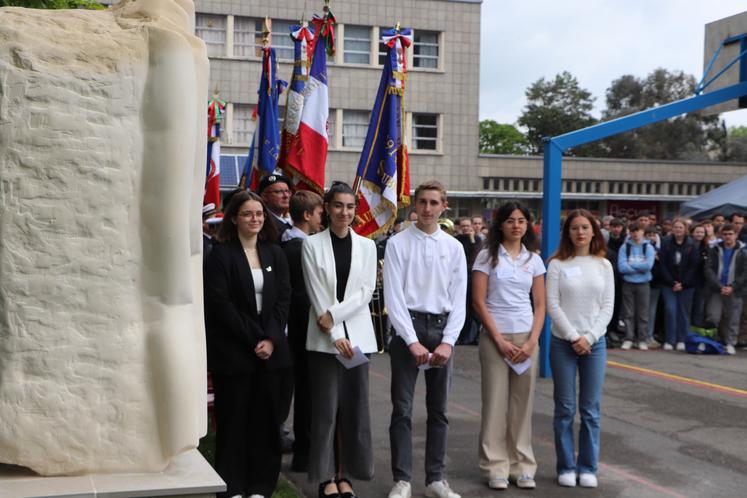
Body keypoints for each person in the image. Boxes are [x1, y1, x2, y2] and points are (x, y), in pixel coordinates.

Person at [204, 190, 291, 498]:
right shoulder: (220, 255)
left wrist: (270, 338)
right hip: (235, 354)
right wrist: (257, 338)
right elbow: (221, 305)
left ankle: (259, 486)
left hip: (270, 355)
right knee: (234, 423)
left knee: (265, 424)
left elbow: (283, 300)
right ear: (234, 218)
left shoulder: (274, 254)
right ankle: (233, 487)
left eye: (259, 214)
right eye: (247, 214)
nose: (254, 219)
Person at [384, 180, 467, 498]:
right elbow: (393, 297)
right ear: (414, 205)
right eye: (423, 202)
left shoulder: (454, 247)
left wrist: (448, 341)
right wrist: (410, 340)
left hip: (442, 328)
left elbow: (459, 299)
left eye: (434, 203)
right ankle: (402, 479)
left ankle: (436, 479)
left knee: (439, 410)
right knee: (402, 409)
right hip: (410, 329)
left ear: (444, 206)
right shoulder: (398, 243)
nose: (428, 209)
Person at [302, 182, 378, 498]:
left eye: (349, 207)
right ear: (327, 207)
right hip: (324, 341)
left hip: (358, 339)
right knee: (325, 410)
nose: (344, 212)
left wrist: (335, 316)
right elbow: (316, 292)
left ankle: (346, 474)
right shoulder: (312, 244)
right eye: (338, 206)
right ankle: (325, 477)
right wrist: (333, 333)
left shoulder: (368, 246)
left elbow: (365, 291)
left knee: (354, 409)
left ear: (355, 210)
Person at [472, 202, 546, 490]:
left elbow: (540, 305)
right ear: (500, 224)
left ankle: (522, 465)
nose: (516, 225)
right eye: (510, 220)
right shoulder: (487, 257)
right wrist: (499, 340)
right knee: (495, 403)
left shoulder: (534, 261)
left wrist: (532, 341)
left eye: (521, 221)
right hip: (495, 339)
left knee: (522, 405)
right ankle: (495, 466)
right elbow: (479, 302)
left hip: (526, 338)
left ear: (528, 225)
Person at [546, 209, 614, 489]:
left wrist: (590, 337)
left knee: (590, 410)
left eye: (585, 227)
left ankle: (588, 466)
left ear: (594, 231)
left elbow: (608, 306)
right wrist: (575, 336)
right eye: (575, 228)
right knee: (564, 408)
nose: (580, 232)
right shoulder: (557, 264)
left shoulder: (603, 265)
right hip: (563, 343)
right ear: (568, 233)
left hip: (595, 345)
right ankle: (566, 465)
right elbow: (553, 304)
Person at [282, 191, 324, 472]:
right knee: (307, 394)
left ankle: (304, 450)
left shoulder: (292, 244)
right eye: (320, 213)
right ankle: (305, 452)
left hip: (296, 330)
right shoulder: (299, 248)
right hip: (302, 330)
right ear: (307, 215)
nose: (323, 218)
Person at [703, 223, 747, 355]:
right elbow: (708, 269)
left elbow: (745, 273)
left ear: (736, 235)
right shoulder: (714, 249)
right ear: (721, 235)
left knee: (733, 318)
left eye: (730, 234)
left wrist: (732, 287)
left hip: (735, 290)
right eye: (725, 234)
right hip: (717, 289)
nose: (728, 237)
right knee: (713, 316)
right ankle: (712, 342)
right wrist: (719, 286)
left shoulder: (743, 252)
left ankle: (730, 343)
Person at [658, 218, 700, 351]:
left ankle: (682, 339)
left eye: (680, 227)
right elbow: (662, 264)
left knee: (683, 312)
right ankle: (670, 340)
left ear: (685, 229)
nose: (678, 230)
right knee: (670, 310)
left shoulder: (691, 244)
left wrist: (683, 283)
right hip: (668, 284)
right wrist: (672, 282)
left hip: (686, 285)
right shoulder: (666, 243)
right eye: (675, 227)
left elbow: (694, 267)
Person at [617, 222, 655, 350]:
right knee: (628, 313)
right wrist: (639, 268)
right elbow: (621, 267)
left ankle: (642, 339)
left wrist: (631, 265)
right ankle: (629, 338)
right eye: (633, 231)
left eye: (637, 230)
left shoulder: (648, 247)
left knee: (643, 314)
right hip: (628, 283)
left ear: (643, 232)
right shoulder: (624, 247)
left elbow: (648, 266)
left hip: (644, 284)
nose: (635, 234)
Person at [455, 218, 479, 345]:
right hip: (459, 275)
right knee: (461, 306)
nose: (465, 228)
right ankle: (460, 336)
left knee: (472, 308)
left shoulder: (477, 240)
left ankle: (471, 337)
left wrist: (472, 239)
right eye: (463, 226)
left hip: (472, 276)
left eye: (467, 226)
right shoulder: (457, 239)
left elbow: (476, 256)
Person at [259, 174, 294, 239]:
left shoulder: (285, 220)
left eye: (287, 191)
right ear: (264, 196)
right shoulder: (263, 222)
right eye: (279, 192)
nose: (286, 196)